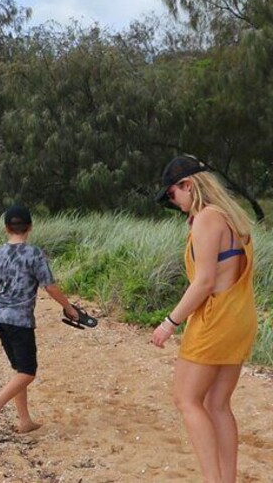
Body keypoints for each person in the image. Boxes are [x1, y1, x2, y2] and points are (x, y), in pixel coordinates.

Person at [151, 155, 256, 483]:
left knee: (187, 399)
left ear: (188, 185)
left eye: (172, 194)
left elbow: (205, 281)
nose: (174, 202)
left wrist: (170, 322)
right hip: (239, 317)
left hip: (215, 320)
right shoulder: (230, 216)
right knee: (217, 403)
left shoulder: (207, 219)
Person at [0, 205, 81, 436]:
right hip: (20, 320)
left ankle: (24, 420)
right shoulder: (33, 254)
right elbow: (50, 286)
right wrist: (68, 307)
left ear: (6, 228)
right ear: (30, 227)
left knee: (18, 370)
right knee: (28, 372)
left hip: (0, 319)